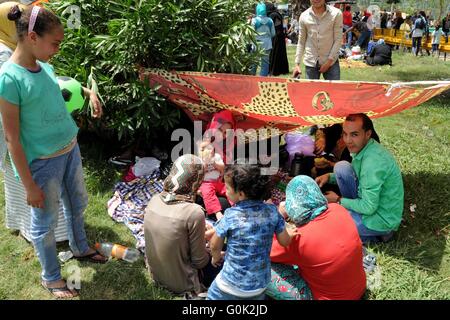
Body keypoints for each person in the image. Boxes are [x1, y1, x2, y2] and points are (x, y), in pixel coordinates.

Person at [0, 5, 105, 298]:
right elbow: (12, 139)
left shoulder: (44, 66)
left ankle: (80, 247)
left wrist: (88, 92)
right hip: (44, 164)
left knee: (78, 202)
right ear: (32, 36)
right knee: (45, 223)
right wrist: (29, 186)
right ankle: (51, 277)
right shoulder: (9, 79)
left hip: (69, 150)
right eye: (55, 43)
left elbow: (59, 88)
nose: (57, 50)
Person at [0, 1, 70, 243]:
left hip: (30, 141)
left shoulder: (34, 61)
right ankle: (40, 237)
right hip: (23, 142)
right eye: (55, 44)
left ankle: (36, 231)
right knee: (31, 191)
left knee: (31, 192)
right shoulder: (6, 64)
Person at [206, 162, 297, 300]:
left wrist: (216, 257)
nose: (225, 189)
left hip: (230, 285)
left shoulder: (231, 215)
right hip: (260, 286)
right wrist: (289, 234)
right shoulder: (272, 211)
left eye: (228, 187)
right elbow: (284, 242)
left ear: (241, 194)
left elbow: (214, 245)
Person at [268, 175, 366, 300]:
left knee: (257, 265)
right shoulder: (338, 209)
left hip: (328, 297)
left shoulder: (298, 237)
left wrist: (278, 215)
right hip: (358, 288)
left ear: (292, 205)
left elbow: (265, 250)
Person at [315, 114, 404, 244]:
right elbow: (356, 173)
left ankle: (378, 234)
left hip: (380, 218)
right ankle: (356, 223)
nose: (348, 140)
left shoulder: (372, 163)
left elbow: (368, 207)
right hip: (370, 205)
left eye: (354, 134)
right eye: (345, 134)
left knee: (331, 223)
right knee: (341, 167)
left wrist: (338, 200)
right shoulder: (367, 147)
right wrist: (329, 177)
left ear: (367, 134)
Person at [144, 154, 221, 299]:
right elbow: (200, 262)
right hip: (183, 283)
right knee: (226, 253)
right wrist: (213, 251)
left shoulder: (154, 200)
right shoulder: (194, 212)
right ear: (196, 181)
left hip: (156, 275)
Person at [292, 0, 343, 80]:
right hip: (311, 62)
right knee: (311, 92)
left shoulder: (336, 14)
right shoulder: (304, 16)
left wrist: (329, 62)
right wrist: (297, 64)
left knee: (334, 91)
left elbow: (338, 39)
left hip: (331, 62)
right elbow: (301, 42)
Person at [198, 138, 230, 221]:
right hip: (206, 183)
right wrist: (205, 163)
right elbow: (199, 173)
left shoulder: (217, 157)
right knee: (208, 195)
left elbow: (223, 168)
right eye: (203, 149)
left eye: (209, 147)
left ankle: (236, 204)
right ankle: (217, 212)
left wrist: (214, 164)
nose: (207, 150)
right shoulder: (199, 160)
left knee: (228, 189)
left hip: (218, 181)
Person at [250, 2, 275, 77]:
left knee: (254, 63)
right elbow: (273, 33)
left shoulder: (254, 20)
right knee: (265, 63)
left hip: (256, 44)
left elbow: (251, 33)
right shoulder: (270, 20)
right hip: (267, 44)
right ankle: (262, 80)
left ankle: (252, 78)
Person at [266, 3, 289, 76]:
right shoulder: (277, 14)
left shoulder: (272, 15)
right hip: (280, 36)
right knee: (281, 54)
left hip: (275, 37)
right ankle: (282, 69)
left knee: (274, 54)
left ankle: (274, 70)